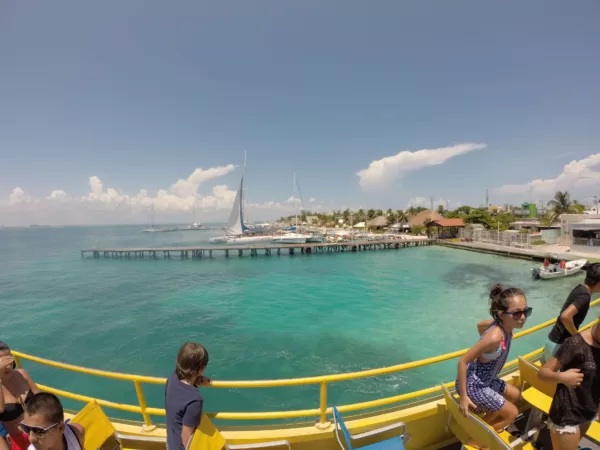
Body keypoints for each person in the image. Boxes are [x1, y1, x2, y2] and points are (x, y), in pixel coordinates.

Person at [456, 284, 532, 432]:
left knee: (515, 394)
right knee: (512, 414)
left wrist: (488, 350)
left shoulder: (504, 326)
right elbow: (462, 361)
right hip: (474, 385)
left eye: (526, 311)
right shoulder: (494, 337)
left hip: (486, 379)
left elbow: (480, 325)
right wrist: (464, 397)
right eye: (516, 313)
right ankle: (477, 440)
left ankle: (484, 425)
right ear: (501, 314)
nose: (523, 317)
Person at [539, 322, 600, 450]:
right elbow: (543, 373)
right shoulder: (575, 343)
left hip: (588, 411)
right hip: (567, 415)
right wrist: (563, 378)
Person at [544, 263, 600, 362]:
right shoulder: (585, 296)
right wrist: (576, 336)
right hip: (559, 346)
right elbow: (565, 316)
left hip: (552, 340)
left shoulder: (579, 288)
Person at [165, 342, 212, 450]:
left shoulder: (172, 379)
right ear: (202, 369)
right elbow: (186, 436)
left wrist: (196, 379)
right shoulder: (195, 399)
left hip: (170, 443)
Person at [0, 342, 40, 450]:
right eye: (2, 363)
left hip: (40, 431)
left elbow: (42, 399)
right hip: (20, 439)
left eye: (9, 359)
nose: (8, 366)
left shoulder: (22, 374)